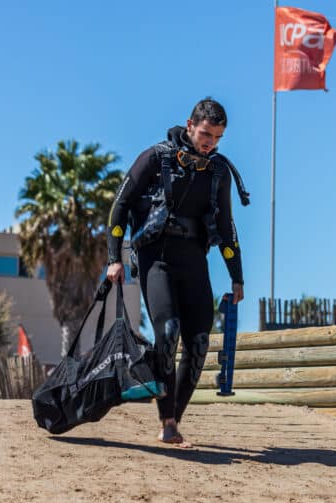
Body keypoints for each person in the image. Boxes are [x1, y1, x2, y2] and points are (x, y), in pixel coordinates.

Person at [106, 98, 247, 448]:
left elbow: (227, 228)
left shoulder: (218, 172)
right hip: (158, 260)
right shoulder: (156, 158)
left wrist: (237, 276)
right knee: (167, 333)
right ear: (189, 125)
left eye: (217, 136)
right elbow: (120, 206)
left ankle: (174, 419)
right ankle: (165, 417)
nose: (210, 141)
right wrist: (114, 258)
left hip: (194, 262)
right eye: (205, 133)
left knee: (199, 344)